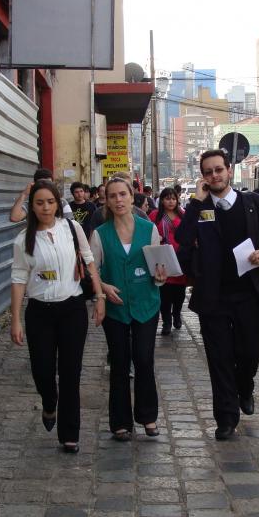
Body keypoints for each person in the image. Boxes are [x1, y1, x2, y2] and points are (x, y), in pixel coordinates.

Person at [175, 149, 259, 441]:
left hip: (248, 293)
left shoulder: (253, 203)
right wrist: (195, 201)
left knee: (249, 353)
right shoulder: (201, 208)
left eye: (218, 170)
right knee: (219, 358)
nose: (214, 176)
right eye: (208, 172)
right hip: (213, 297)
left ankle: (245, 387)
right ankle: (226, 417)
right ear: (203, 177)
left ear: (229, 170)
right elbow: (182, 239)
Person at [10, 181, 104, 454]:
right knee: (42, 370)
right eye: (39, 203)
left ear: (57, 203)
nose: (45, 208)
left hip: (72, 309)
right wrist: (15, 318)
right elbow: (18, 280)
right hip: (40, 312)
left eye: (50, 202)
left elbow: (89, 262)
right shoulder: (23, 241)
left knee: (71, 372)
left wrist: (98, 297)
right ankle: (49, 403)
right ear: (32, 207)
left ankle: (70, 434)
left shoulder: (72, 229)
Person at [91, 177, 168, 441]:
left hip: (146, 304)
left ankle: (148, 416)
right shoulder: (100, 234)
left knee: (144, 359)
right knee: (120, 363)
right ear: (107, 201)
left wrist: (161, 276)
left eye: (122, 194)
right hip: (117, 308)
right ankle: (120, 421)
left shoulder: (149, 229)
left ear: (132, 196)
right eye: (112, 196)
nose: (118, 200)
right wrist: (102, 287)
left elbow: (160, 268)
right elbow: (92, 271)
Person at [149, 187, 188, 335]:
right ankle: (166, 321)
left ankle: (176, 314)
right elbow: (148, 232)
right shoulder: (154, 216)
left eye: (173, 198)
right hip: (162, 258)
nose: (171, 201)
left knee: (179, 292)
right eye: (167, 198)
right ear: (162, 200)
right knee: (164, 293)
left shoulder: (183, 214)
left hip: (180, 257)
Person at [85, 171, 148, 237]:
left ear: (131, 191)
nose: (118, 199)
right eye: (113, 195)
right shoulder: (99, 214)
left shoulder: (141, 216)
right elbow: (93, 240)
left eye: (123, 193)